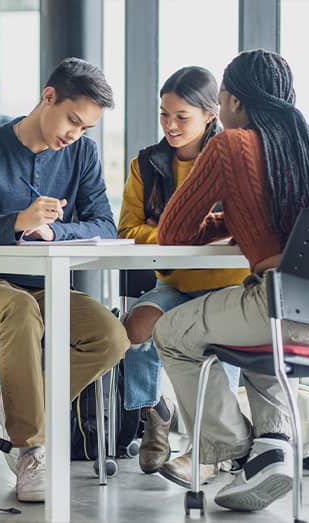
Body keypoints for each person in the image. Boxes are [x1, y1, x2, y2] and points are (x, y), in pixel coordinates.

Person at [151, 49, 309, 511]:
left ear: (232, 101)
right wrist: (231, 219)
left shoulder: (230, 144)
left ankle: (231, 444)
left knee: (170, 332)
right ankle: (272, 446)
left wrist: (217, 220)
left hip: (287, 309)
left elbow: (172, 231)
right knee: (255, 326)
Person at [0, 57, 130, 503]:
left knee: (110, 335)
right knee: (20, 310)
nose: (75, 134)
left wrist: (55, 231)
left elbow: (105, 224)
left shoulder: (81, 154)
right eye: (72, 120)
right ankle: (30, 447)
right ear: (49, 96)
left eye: (85, 127)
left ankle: (17, 413)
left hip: (45, 286)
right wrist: (16, 222)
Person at [117, 66, 249, 484]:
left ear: (211, 114)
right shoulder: (147, 165)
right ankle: (154, 409)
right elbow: (127, 230)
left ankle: (206, 450)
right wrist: (181, 237)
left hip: (229, 285)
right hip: (175, 282)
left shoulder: (230, 159)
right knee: (133, 330)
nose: (170, 126)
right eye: (164, 114)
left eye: (182, 116)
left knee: (214, 344)